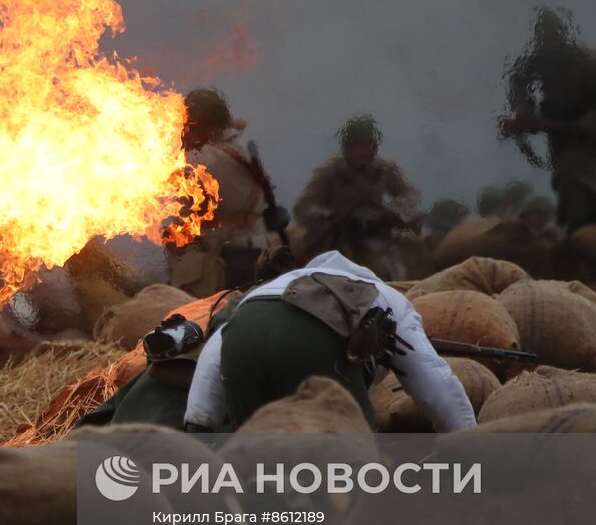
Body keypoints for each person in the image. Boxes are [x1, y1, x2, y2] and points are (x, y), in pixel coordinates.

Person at [184, 250, 477, 433]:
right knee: (351, 459)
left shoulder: (263, 293)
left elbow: (219, 346)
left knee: (257, 462)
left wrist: (199, 418)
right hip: (310, 342)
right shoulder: (382, 297)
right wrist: (470, 447)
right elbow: (436, 384)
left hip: (242, 339)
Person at [496, 7, 596, 232]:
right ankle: (579, 228)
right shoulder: (538, 61)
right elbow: (517, 79)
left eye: (552, 36)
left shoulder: (589, 62)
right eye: (543, 37)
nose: (548, 43)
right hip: (563, 142)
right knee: (570, 181)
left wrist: (587, 124)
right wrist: (523, 110)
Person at [168, 88, 277, 297]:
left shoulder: (208, 159)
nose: (186, 132)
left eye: (191, 126)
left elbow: (185, 204)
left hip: (234, 254)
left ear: (209, 126)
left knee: (196, 303)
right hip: (254, 244)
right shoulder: (235, 144)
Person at [292, 114, 421, 280]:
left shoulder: (383, 170)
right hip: (335, 241)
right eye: (357, 146)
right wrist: (330, 215)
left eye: (368, 146)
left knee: (391, 272)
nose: (363, 151)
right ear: (347, 147)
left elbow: (410, 192)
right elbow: (304, 206)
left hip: (374, 238)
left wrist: (392, 212)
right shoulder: (329, 172)